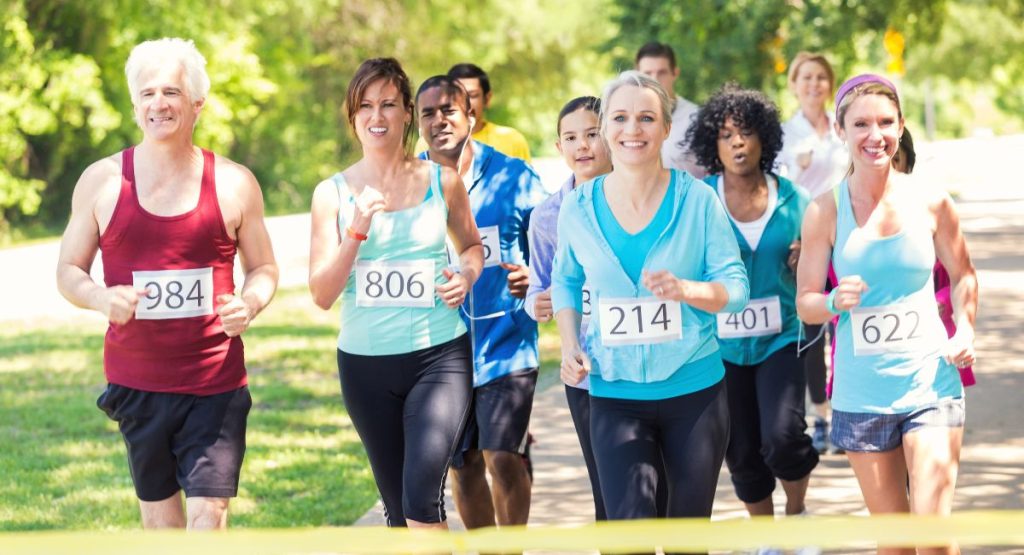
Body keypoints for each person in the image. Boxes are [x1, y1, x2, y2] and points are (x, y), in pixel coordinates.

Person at [55, 37, 279, 530]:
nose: (159, 104)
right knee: (162, 529)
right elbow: (68, 270)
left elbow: (264, 268)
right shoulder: (102, 181)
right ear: (135, 106)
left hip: (214, 382)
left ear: (197, 103)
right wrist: (99, 296)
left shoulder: (235, 182)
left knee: (208, 517)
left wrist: (250, 303)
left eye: (172, 92)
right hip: (137, 383)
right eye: (148, 93)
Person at [552, 71, 748, 527]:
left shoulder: (698, 201)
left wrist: (688, 291)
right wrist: (568, 344)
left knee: (686, 536)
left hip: (694, 391)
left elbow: (736, 289)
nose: (632, 129)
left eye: (646, 117)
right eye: (619, 117)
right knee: (630, 532)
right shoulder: (578, 208)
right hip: (613, 393)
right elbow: (564, 280)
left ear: (665, 129)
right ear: (605, 130)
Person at [796, 74, 977, 555]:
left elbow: (963, 276)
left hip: (930, 385)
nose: (874, 135)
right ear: (841, 130)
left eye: (884, 122)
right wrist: (834, 302)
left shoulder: (933, 201)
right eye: (860, 124)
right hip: (862, 395)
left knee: (931, 537)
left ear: (900, 127)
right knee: (895, 542)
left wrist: (965, 327)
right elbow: (806, 303)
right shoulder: (823, 212)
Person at [307, 58, 483, 529]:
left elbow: (471, 248)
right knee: (395, 509)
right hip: (365, 365)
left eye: (388, 104)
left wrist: (465, 276)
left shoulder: (442, 182)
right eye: (365, 106)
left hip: (439, 355)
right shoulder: (332, 194)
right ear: (352, 117)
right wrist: (356, 231)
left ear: (408, 112)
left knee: (422, 499)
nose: (377, 116)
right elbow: (322, 294)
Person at [417, 75, 547, 528]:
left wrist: (539, 277)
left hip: (506, 343)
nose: (439, 121)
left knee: (503, 457)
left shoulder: (514, 176)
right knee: (464, 463)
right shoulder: (408, 182)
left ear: (471, 114)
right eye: (428, 113)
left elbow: (556, 239)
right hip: (440, 349)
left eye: (449, 110)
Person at [687, 84, 819, 520]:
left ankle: (797, 515)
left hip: (780, 336)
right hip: (719, 345)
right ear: (713, 144)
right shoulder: (698, 200)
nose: (737, 142)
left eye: (745, 132)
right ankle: (764, 534)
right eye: (725, 135)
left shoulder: (796, 201)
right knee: (740, 447)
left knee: (783, 437)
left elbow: (820, 266)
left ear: (765, 137)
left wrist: (807, 260)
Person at [525, 96, 612, 521]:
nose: (583, 145)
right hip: (585, 369)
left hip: (648, 363)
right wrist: (535, 303)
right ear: (559, 147)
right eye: (571, 137)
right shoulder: (547, 216)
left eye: (593, 133)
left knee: (658, 484)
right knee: (606, 483)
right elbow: (540, 284)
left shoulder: (645, 199)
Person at [778, 52, 848, 454]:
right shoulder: (786, 134)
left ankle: (844, 411)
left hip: (846, 240)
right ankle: (820, 414)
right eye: (806, 76)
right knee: (812, 331)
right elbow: (781, 193)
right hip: (805, 243)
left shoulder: (842, 128)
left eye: (821, 77)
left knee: (845, 329)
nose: (814, 84)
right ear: (794, 83)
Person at [635, 41, 705, 178]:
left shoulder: (697, 118)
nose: (654, 80)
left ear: (675, 73)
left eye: (662, 73)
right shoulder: (626, 121)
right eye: (647, 73)